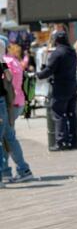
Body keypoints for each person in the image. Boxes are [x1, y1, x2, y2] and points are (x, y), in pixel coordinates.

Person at [37, 31, 77, 150]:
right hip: (72, 86)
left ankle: (60, 142)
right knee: (72, 115)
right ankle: (74, 141)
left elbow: (49, 70)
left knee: (59, 114)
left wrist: (39, 74)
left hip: (60, 88)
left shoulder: (57, 53)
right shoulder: (72, 52)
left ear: (56, 41)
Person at [0, 40, 33, 185]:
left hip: (8, 103)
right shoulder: (12, 61)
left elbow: (8, 82)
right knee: (8, 136)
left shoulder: (6, 61)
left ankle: (7, 172)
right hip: (14, 101)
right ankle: (17, 170)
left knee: (6, 138)